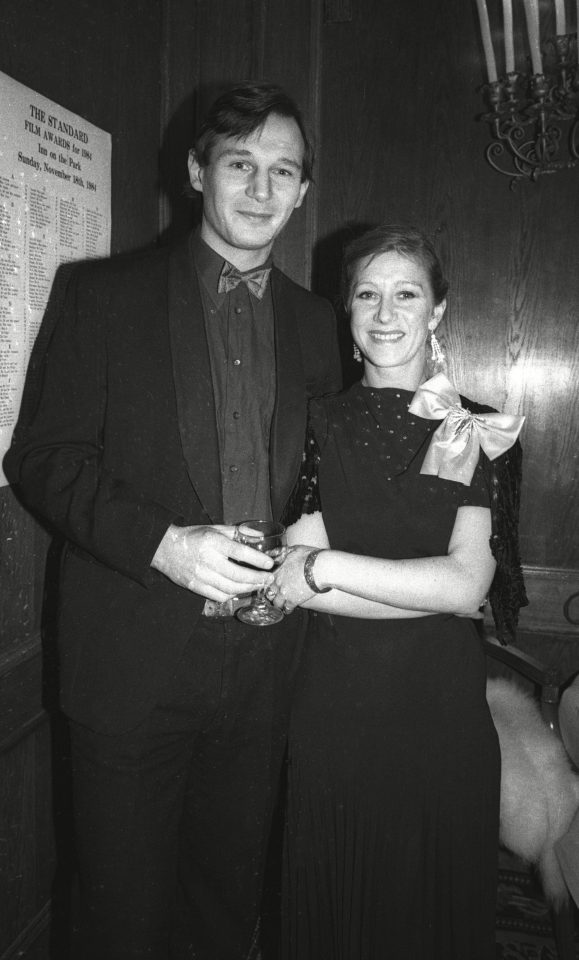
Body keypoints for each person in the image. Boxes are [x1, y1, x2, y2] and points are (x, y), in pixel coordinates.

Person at [3, 81, 341, 959]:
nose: (261, 191)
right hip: (130, 666)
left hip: (266, 671)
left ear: (303, 190)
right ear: (198, 172)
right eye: (240, 165)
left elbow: (328, 480)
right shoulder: (101, 296)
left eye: (282, 171)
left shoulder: (320, 327)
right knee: (119, 919)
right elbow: (42, 459)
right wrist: (164, 545)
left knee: (224, 911)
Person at [267, 224, 527, 959]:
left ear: (436, 310)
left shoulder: (469, 428)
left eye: (405, 294)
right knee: (335, 906)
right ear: (346, 314)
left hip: (439, 715)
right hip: (334, 710)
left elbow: (466, 582)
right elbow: (305, 578)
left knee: (430, 913)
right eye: (366, 295)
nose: (386, 313)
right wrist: (324, 577)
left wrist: (325, 570)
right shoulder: (313, 423)